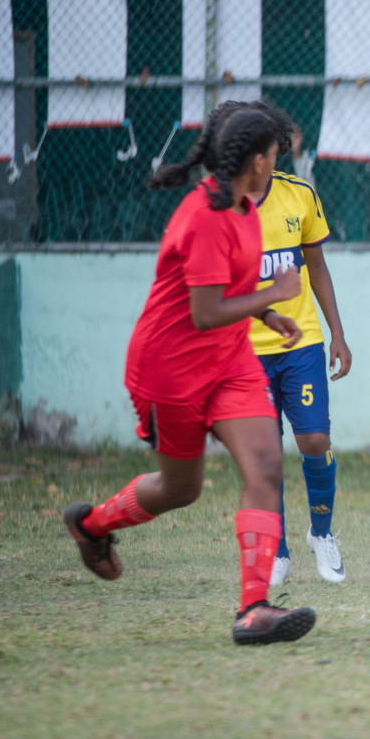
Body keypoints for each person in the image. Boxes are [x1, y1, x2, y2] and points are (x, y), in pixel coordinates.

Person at [62, 103, 317, 644]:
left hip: (229, 361)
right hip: (170, 370)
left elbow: (225, 293)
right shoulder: (203, 217)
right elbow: (202, 312)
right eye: (273, 155)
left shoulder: (245, 207)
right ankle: (91, 526)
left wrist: (264, 311)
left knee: (266, 465)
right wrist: (275, 293)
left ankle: (254, 608)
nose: (277, 163)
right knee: (181, 489)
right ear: (254, 161)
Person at [242, 105, 352, 586]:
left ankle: (321, 535)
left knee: (314, 440)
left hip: (301, 341)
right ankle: (278, 550)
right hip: (245, 348)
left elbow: (318, 267)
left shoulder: (300, 196)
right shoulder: (223, 207)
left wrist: (337, 334)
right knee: (266, 452)